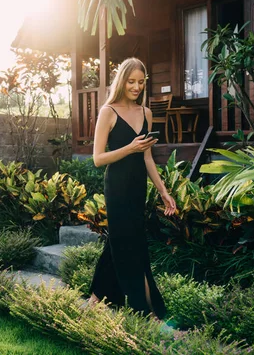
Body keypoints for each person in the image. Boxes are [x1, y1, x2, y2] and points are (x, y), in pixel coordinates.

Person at [87, 57, 177, 320]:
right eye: (131, 81)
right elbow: (97, 159)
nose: (136, 87)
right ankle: (149, 313)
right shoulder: (108, 112)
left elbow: (147, 158)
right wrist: (129, 148)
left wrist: (162, 190)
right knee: (133, 247)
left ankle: (96, 298)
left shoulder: (146, 113)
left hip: (138, 188)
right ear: (122, 81)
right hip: (117, 187)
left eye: (141, 82)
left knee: (119, 242)